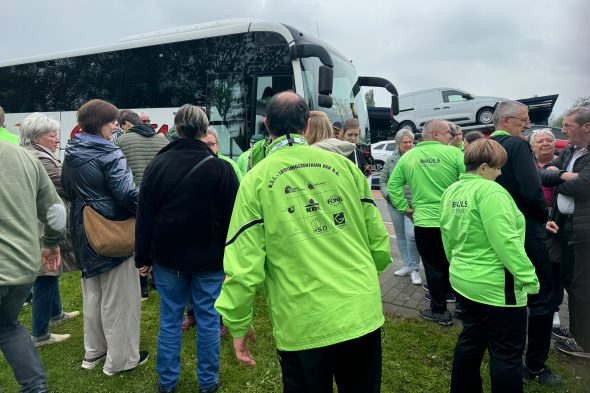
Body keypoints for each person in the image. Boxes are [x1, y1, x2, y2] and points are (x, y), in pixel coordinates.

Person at [215, 92, 391, 392]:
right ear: (307, 124)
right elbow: (378, 241)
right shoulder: (346, 168)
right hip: (360, 310)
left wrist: (238, 322)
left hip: (302, 320)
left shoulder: (256, 180)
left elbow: (243, 265)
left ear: (266, 124)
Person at [135, 104, 239, 393]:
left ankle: (167, 382)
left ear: (177, 130)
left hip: (168, 257)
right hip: (210, 259)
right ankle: (208, 381)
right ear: (204, 131)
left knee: (170, 317)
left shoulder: (157, 165)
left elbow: (145, 214)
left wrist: (141, 257)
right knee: (208, 318)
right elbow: (234, 220)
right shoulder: (222, 168)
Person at [440, 139, 540, 393]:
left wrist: (458, 265)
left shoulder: (452, 190)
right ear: (484, 167)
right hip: (497, 288)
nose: (501, 172)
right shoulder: (491, 192)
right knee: (506, 354)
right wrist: (530, 278)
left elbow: (447, 234)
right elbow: (506, 242)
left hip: (465, 281)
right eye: (498, 168)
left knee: (471, 341)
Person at [61, 99, 148, 376]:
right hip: (111, 231)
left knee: (94, 294)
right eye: (112, 121)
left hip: (82, 228)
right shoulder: (108, 152)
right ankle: (120, 361)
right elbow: (126, 194)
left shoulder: (72, 149)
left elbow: (67, 187)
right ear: (100, 123)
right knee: (120, 297)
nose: (115, 125)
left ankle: (94, 352)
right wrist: (149, 207)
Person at [490, 100, 562, 386]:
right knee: (541, 298)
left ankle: (506, 354)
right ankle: (534, 365)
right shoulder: (517, 145)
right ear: (506, 121)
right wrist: (542, 217)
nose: (528, 125)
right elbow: (533, 191)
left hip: (497, 232)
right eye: (524, 119)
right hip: (526, 232)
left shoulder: (483, 147)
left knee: (509, 294)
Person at [0, 139, 66, 392]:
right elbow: (56, 211)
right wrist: (51, 243)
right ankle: (35, 388)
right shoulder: (26, 157)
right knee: (7, 325)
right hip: (23, 267)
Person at [388, 119, 464, 326]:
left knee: (433, 267)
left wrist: (405, 209)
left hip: (424, 222)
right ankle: (462, 307)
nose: (452, 136)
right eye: (449, 133)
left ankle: (439, 311)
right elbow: (468, 183)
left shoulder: (409, 156)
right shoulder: (455, 154)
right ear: (436, 134)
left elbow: (393, 185)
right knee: (457, 263)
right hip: (453, 221)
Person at [19, 113, 79, 347]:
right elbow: (67, 185)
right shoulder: (39, 159)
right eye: (52, 134)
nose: (57, 139)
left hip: (41, 223)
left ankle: (56, 315)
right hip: (42, 225)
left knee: (52, 270)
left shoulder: (38, 154)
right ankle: (40, 334)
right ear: (36, 137)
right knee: (45, 276)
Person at [540, 106, 590, 358]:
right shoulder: (570, 150)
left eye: (568, 125)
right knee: (572, 282)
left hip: (584, 232)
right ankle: (577, 333)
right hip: (565, 229)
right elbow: (543, 174)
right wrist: (565, 175)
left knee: (582, 286)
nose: (564, 129)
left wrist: (558, 178)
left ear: (586, 127)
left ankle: (585, 343)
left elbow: (584, 186)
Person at [115, 109, 169, 300]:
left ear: (126, 125)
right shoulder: (162, 140)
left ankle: (142, 287)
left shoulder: (120, 142)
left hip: (135, 198)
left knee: (139, 241)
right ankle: (159, 280)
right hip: (162, 197)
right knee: (157, 238)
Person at [529, 128, 562, 330]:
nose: (545, 144)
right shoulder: (527, 165)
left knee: (555, 266)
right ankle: (533, 301)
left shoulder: (562, 164)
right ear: (532, 146)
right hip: (534, 220)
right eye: (539, 141)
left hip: (558, 221)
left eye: (549, 140)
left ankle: (554, 307)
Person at [380, 129, 422, 285]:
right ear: (398, 143)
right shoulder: (391, 160)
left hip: (412, 205)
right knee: (401, 235)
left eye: (410, 141)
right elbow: (383, 181)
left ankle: (415, 269)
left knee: (412, 236)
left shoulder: (418, 157)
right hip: (395, 204)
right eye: (405, 142)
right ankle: (406, 265)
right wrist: (388, 195)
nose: (408, 144)